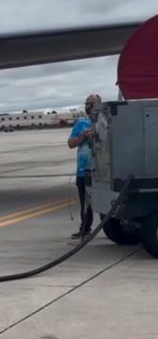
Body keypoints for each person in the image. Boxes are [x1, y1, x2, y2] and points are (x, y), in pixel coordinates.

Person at [68, 93, 101, 239]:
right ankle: (85, 227)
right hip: (83, 170)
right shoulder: (81, 124)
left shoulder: (106, 121)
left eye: (91, 104)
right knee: (85, 202)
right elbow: (70, 143)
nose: (88, 107)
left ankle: (110, 226)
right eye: (87, 104)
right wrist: (81, 137)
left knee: (104, 200)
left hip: (101, 170)